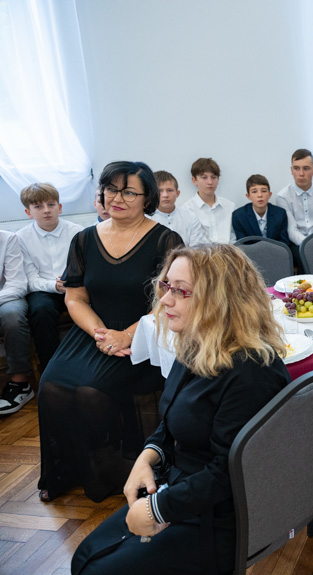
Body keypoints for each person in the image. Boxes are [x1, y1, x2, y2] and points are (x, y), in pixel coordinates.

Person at [71, 244, 290, 575]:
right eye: (166, 286)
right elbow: (174, 419)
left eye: (181, 292)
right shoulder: (196, 344)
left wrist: (158, 509)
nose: (165, 300)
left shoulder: (252, 371)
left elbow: (229, 472)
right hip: (183, 488)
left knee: (94, 569)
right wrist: (148, 455)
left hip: (221, 517)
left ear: (221, 300)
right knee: (85, 556)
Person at [38, 161, 184, 503]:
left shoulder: (165, 239)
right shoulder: (85, 239)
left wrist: (128, 335)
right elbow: (75, 296)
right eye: (111, 189)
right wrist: (101, 333)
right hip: (94, 330)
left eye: (129, 191)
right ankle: (68, 471)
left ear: (147, 197)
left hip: (145, 334)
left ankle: (111, 469)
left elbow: (169, 299)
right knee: (51, 387)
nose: (117, 197)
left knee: (92, 392)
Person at [15, 183, 83, 374]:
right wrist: (54, 285)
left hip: (76, 287)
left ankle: (88, 363)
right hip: (44, 290)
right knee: (40, 311)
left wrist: (74, 282)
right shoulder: (20, 238)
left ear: (59, 207)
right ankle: (52, 370)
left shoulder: (78, 231)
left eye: (51, 205)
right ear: (29, 212)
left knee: (97, 304)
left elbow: (87, 266)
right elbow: (29, 279)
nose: (46, 211)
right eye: (38, 207)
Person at [275, 149, 313, 271]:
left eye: (306, 168)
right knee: (305, 256)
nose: (301, 173)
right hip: (297, 242)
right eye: (296, 168)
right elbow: (291, 230)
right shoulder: (283, 196)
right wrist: (309, 244)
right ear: (291, 171)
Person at [0, 231, 31, 415]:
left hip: (7, 296)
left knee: (12, 317)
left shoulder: (8, 239)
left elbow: (17, 284)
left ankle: (20, 383)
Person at [180, 158, 235, 243]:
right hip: (200, 255)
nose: (210, 182)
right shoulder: (186, 210)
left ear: (218, 179)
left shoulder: (230, 206)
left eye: (213, 177)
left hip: (228, 254)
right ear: (194, 180)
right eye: (204, 177)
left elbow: (234, 239)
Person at [150, 171, 208, 246]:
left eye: (169, 190)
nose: (165, 195)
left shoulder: (190, 217)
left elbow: (196, 250)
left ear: (177, 193)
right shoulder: (146, 218)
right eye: (160, 191)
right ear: (153, 194)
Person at [232, 174, 291, 244]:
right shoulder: (239, 216)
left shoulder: (280, 214)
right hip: (250, 254)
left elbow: (284, 243)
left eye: (264, 191)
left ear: (269, 194)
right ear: (248, 196)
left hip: (275, 253)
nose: (260, 195)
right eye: (254, 191)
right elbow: (242, 245)